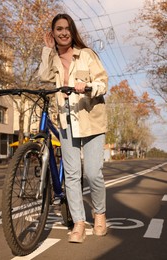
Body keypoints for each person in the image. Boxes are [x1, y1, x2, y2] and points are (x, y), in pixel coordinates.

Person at [38, 13, 108, 243]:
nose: (63, 32)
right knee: (72, 175)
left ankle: (99, 214)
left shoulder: (86, 55)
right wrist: (47, 50)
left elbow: (102, 82)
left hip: (91, 120)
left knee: (92, 173)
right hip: (67, 122)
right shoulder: (54, 58)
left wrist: (86, 86)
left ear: (73, 30)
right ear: (53, 32)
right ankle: (79, 221)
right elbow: (43, 76)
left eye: (67, 28)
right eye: (58, 29)